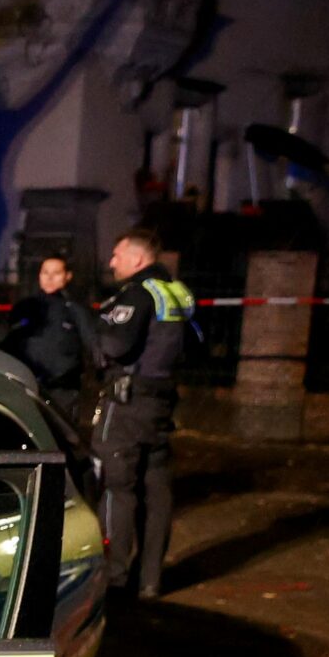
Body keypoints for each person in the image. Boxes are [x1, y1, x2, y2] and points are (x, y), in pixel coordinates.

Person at [88, 227, 195, 599]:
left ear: (137, 258)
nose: (112, 261)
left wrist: (99, 332)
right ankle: (150, 580)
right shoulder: (176, 292)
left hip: (127, 404)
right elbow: (194, 346)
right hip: (161, 403)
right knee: (157, 489)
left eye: (117, 254)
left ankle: (114, 578)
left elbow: (115, 344)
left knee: (117, 488)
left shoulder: (137, 293)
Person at [1, 252, 91, 431]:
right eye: (45, 272)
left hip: (63, 391)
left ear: (68, 276)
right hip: (27, 386)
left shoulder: (76, 310)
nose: (49, 278)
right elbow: (5, 342)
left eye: (56, 273)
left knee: (62, 436)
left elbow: (92, 346)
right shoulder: (24, 307)